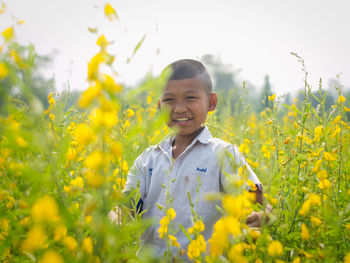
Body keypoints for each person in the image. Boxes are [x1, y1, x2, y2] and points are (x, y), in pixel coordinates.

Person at [109, 59, 264, 257]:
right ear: (159, 107)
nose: (179, 108)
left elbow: (257, 201)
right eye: (169, 100)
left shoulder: (225, 154)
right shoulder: (148, 159)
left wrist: (260, 216)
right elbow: (127, 207)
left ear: (212, 102)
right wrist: (113, 217)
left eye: (190, 98)